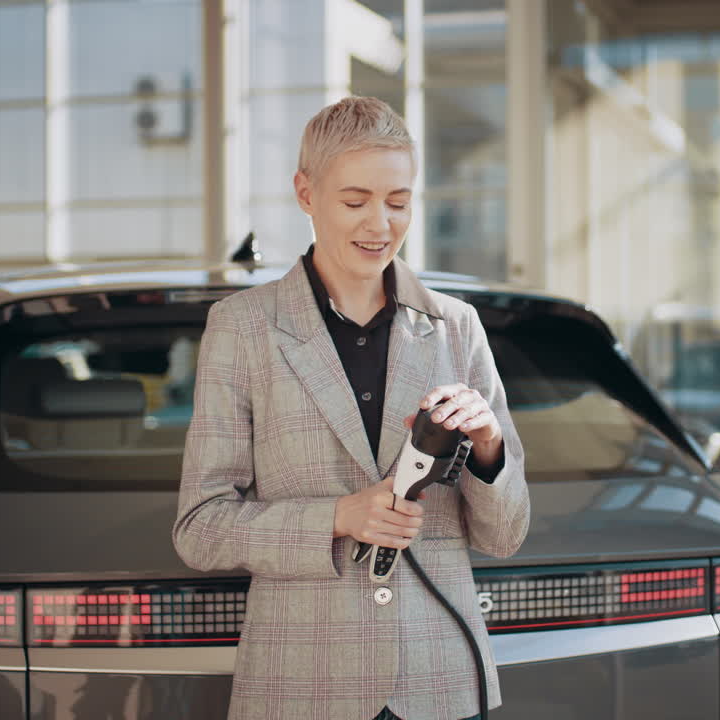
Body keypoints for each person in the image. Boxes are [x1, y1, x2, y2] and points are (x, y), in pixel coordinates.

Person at [173, 97, 529, 720]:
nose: (380, 224)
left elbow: (504, 536)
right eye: (356, 201)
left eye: (398, 202)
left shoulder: (457, 327)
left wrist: (489, 446)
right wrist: (339, 517)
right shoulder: (242, 328)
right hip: (301, 686)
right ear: (306, 194)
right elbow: (201, 530)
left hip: (439, 683)